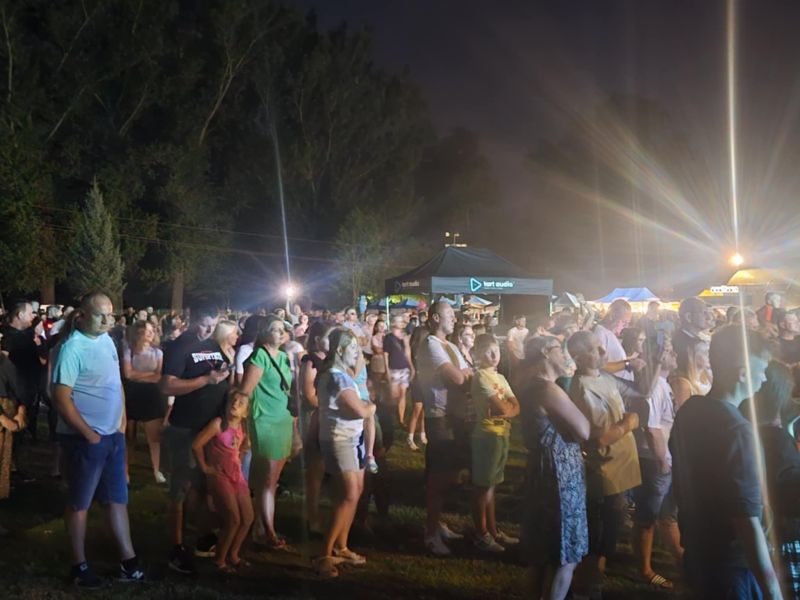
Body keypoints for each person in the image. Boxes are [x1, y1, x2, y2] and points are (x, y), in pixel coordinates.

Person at [670, 325, 782, 599]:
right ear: (743, 374)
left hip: (698, 553)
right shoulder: (737, 431)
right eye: (762, 370)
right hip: (732, 569)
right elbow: (747, 522)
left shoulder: (689, 411)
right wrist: (773, 592)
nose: (764, 378)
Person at [52, 292, 144, 587]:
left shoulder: (107, 340)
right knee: (79, 503)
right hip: (85, 441)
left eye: (110, 314)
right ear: (81, 315)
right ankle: (78, 567)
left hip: (112, 437)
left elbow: (116, 385)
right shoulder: (71, 348)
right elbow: (61, 398)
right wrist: (88, 434)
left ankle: (129, 564)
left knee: (116, 499)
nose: (107, 320)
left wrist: (121, 422)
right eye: (99, 315)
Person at [567, 330, 642, 597]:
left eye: (601, 347)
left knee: (610, 527)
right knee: (600, 532)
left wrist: (654, 364)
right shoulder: (583, 387)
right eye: (594, 349)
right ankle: (587, 586)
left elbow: (641, 392)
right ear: (578, 357)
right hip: (605, 470)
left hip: (620, 467)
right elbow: (599, 438)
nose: (602, 352)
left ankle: (593, 582)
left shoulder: (604, 378)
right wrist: (628, 423)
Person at [517, 335, 590, 600]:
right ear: (546, 352)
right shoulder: (547, 389)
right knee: (566, 554)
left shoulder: (531, 385)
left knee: (542, 553)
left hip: (543, 468)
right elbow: (584, 429)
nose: (565, 355)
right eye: (560, 349)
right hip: (559, 473)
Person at [159, 304, 228, 574]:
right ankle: (175, 547)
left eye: (213, 324)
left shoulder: (212, 344)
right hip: (185, 427)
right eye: (204, 324)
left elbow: (218, 373)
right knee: (181, 488)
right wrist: (205, 381)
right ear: (192, 319)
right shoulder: (180, 346)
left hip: (208, 427)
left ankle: (201, 535)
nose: (208, 330)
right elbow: (167, 385)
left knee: (202, 486)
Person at [313, 328, 376, 578]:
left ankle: (342, 546)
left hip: (353, 438)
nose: (357, 354)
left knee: (354, 493)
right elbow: (359, 410)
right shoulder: (335, 376)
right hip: (340, 440)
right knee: (348, 495)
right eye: (353, 349)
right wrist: (371, 408)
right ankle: (324, 554)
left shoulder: (343, 374)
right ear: (340, 350)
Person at [416, 301, 472, 556]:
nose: (455, 319)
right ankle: (430, 534)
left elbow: (470, 372)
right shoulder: (431, 344)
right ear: (435, 318)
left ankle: (436, 523)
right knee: (439, 478)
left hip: (454, 417)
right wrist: (464, 372)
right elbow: (459, 377)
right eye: (450, 314)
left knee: (448, 476)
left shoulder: (450, 346)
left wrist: (465, 372)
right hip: (440, 418)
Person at [239, 316, 293, 549]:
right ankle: (268, 531)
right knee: (268, 479)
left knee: (271, 479)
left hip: (282, 420)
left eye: (282, 329)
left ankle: (260, 525)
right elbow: (245, 391)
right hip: (265, 421)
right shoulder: (259, 356)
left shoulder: (283, 357)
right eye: (275, 329)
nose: (280, 333)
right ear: (264, 333)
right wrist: (240, 426)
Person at [631, 343, 682, 590]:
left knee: (666, 515)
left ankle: (681, 560)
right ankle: (645, 570)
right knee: (647, 518)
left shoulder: (662, 383)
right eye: (669, 351)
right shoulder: (653, 387)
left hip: (663, 460)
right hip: (654, 461)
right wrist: (662, 461)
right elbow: (651, 428)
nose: (675, 354)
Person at [751, 361, 800, 598]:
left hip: (765, 535)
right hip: (783, 535)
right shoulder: (775, 439)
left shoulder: (747, 429)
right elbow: (791, 499)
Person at [192, 389, 254, 572]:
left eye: (240, 403)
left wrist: (238, 465)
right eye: (232, 401)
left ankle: (233, 554)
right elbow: (196, 445)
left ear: (245, 412)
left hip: (236, 475)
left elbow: (242, 449)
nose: (235, 404)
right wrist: (205, 468)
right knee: (233, 519)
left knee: (248, 518)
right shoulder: (218, 424)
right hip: (220, 475)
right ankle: (220, 559)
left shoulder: (243, 428)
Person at [469, 334, 520, 553]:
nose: (493, 355)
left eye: (496, 351)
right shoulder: (481, 377)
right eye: (488, 352)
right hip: (487, 436)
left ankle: (493, 530)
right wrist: (508, 410)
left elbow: (516, 406)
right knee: (483, 487)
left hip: (502, 434)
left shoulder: (500, 377)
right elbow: (504, 407)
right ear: (478, 355)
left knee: (492, 485)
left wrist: (507, 410)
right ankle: (481, 534)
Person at [122, 321, 165, 483]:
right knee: (129, 436)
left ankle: (157, 470)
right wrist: (149, 375)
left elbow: (159, 376)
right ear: (138, 332)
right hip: (132, 394)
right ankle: (125, 471)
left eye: (152, 330)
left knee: (154, 437)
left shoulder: (158, 352)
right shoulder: (129, 351)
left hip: (151, 396)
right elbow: (127, 374)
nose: (151, 333)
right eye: (147, 330)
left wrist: (137, 375)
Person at [299, 322, 331, 537]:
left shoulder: (327, 360)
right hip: (315, 419)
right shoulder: (311, 362)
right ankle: (312, 518)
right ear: (318, 340)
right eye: (329, 337)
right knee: (315, 470)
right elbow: (309, 394)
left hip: (326, 417)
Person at [1, 300, 42, 440]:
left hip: (29, 393)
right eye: (30, 313)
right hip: (13, 400)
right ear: (20, 315)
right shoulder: (7, 338)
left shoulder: (27, 336)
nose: (33, 316)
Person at [0, 337, 26, 534]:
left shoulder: (5, 362)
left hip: (7, 411)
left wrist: (20, 411)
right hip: (3, 416)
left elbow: (19, 388)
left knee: (3, 464)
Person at [593, 299, 645, 381]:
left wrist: (630, 361)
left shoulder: (609, 332)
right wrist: (629, 364)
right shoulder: (600, 333)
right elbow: (600, 366)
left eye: (628, 323)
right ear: (612, 316)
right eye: (624, 322)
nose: (626, 326)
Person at [383, 315, 413, 430]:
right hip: (393, 368)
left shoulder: (404, 337)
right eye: (399, 321)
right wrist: (387, 370)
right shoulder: (388, 338)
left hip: (404, 368)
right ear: (394, 323)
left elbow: (407, 353)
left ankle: (401, 419)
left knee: (402, 394)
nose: (402, 323)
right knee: (394, 395)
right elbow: (385, 355)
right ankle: (391, 417)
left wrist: (411, 366)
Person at [669, 336, 712, 410]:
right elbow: (683, 412)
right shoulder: (682, 383)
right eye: (705, 353)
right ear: (692, 355)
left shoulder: (708, 379)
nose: (709, 356)